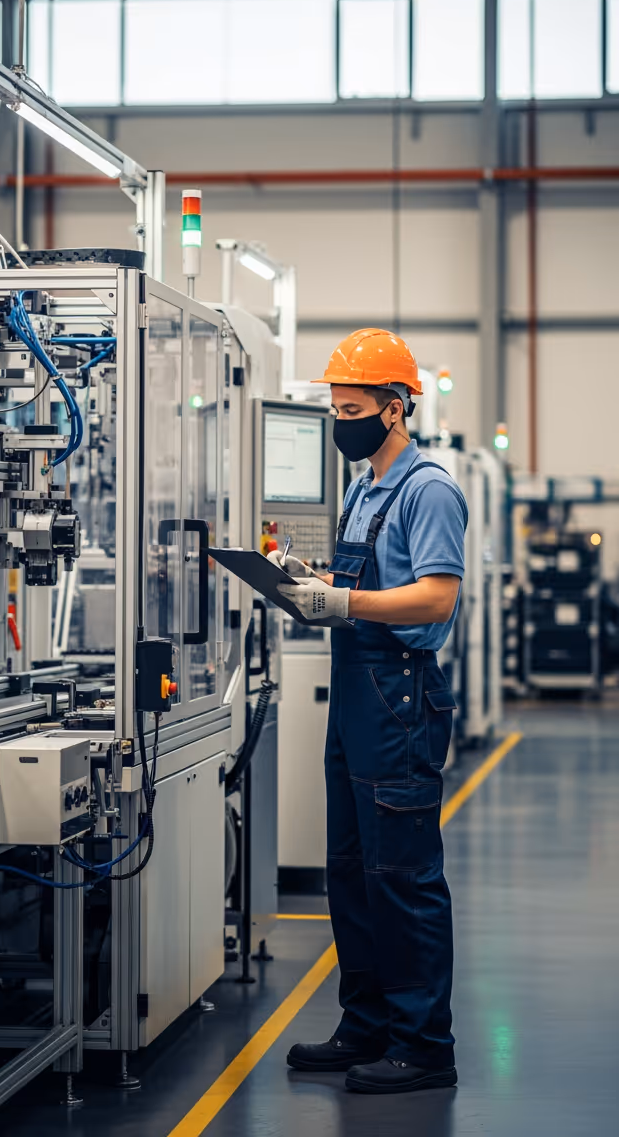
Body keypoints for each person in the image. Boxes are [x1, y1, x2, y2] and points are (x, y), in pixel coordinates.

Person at [274, 328, 467, 1095]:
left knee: (404, 874)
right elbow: (360, 584)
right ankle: (368, 1025)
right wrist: (304, 581)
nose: (337, 421)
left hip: (401, 696)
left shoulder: (429, 490)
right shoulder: (362, 489)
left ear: (394, 409)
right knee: (351, 871)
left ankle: (424, 1045)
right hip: (356, 694)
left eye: (350, 407)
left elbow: (435, 596)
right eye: (333, 406)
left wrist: (343, 598)